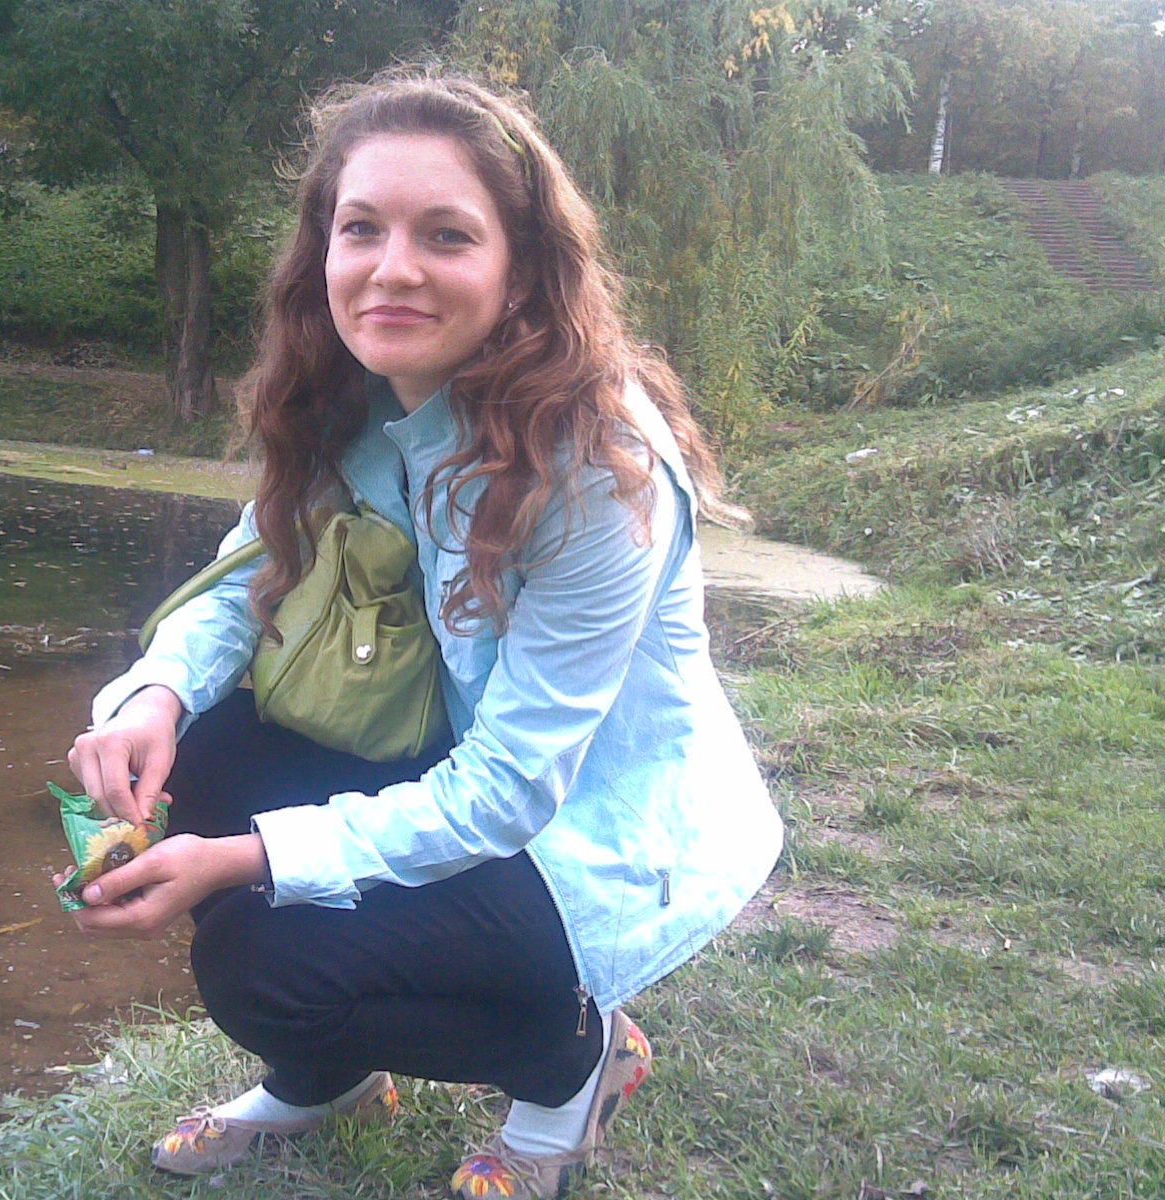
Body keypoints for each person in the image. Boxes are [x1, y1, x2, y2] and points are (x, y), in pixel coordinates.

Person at [62, 71, 783, 1199]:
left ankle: (570, 1061)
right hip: (453, 755)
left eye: (445, 235)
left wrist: (254, 858)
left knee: (259, 963)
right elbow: (249, 569)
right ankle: (325, 1083)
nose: (392, 268)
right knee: (191, 751)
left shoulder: (600, 472)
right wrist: (153, 695)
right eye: (362, 229)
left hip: (582, 831)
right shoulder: (355, 391)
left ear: (521, 268)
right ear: (323, 250)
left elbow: (509, 791)